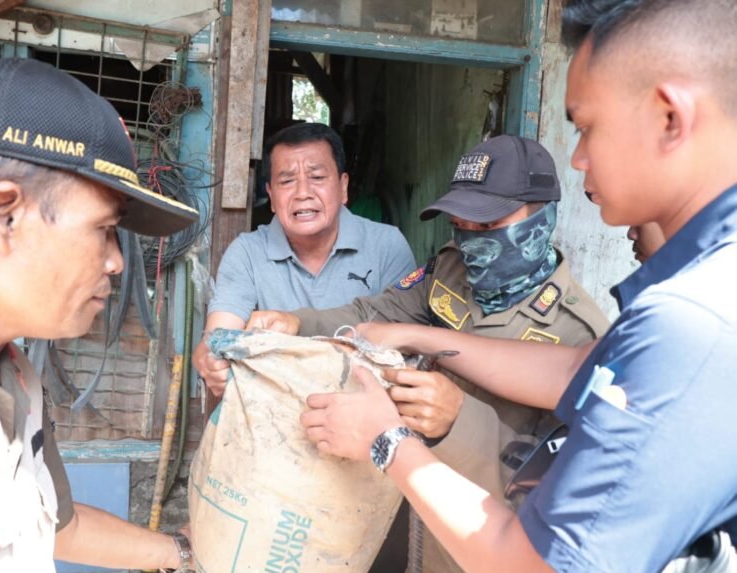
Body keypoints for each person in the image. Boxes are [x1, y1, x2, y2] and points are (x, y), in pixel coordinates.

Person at [297, 0, 737, 571]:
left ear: (669, 117)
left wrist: (386, 439)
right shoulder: (703, 288)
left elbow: (535, 562)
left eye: (586, 126)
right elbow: (572, 370)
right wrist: (419, 336)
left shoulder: (691, 322)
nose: (577, 158)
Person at [0, 58, 198, 572]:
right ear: (6, 214)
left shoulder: (13, 374)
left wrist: (183, 553)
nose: (116, 261)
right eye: (103, 229)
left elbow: (55, 525)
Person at [249, 134, 609, 573]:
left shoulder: (580, 339)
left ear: (543, 216)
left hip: (474, 549)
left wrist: (458, 422)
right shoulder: (450, 267)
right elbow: (375, 314)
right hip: (396, 517)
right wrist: (299, 323)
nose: (471, 241)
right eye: (461, 224)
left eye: (488, 225)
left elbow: (556, 494)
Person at [193, 122, 415, 396]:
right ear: (272, 196)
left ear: (343, 187)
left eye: (317, 177)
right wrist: (209, 356)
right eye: (287, 181)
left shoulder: (387, 245)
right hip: (274, 407)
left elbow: (405, 343)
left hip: (363, 405)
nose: (302, 193)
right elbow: (217, 335)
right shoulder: (247, 253)